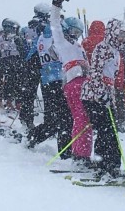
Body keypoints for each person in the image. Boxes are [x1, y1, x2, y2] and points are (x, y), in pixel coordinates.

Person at [81, 17, 125, 179]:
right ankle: (103, 166)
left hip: (106, 95)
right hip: (93, 96)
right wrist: (100, 93)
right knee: (106, 131)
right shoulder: (102, 48)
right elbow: (95, 72)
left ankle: (112, 165)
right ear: (112, 33)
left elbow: (113, 76)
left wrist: (111, 97)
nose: (123, 38)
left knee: (111, 131)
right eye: (121, 34)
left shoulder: (116, 51)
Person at [51, 0, 93, 166]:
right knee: (81, 118)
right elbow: (55, 24)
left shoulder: (78, 46)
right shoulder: (61, 42)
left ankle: (82, 153)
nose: (75, 35)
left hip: (84, 82)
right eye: (73, 31)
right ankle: (80, 155)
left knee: (86, 119)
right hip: (74, 82)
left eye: (78, 32)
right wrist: (57, 4)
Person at [26, 22, 73, 157]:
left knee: (53, 120)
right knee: (66, 118)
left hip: (47, 82)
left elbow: (30, 57)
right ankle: (65, 151)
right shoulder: (57, 39)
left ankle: (32, 137)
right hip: (60, 80)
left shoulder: (41, 38)